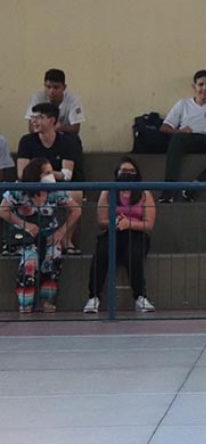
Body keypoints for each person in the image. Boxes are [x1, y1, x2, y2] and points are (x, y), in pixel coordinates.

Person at [0, 158, 81, 313]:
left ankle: (48, 299)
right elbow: (3, 210)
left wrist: (61, 232)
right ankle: (25, 301)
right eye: (47, 173)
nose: (51, 176)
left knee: (53, 256)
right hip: (25, 236)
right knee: (30, 260)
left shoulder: (55, 192)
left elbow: (76, 210)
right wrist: (24, 225)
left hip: (49, 234)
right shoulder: (19, 190)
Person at [85, 157, 156, 313]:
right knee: (102, 253)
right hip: (113, 231)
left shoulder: (144, 194)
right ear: (117, 172)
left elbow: (149, 224)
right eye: (124, 171)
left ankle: (140, 297)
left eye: (131, 171)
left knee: (134, 255)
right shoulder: (108, 192)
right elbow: (101, 221)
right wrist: (116, 223)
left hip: (136, 234)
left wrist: (129, 224)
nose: (127, 174)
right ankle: (93, 297)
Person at [17, 103, 83, 254]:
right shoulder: (26, 141)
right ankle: (20, 240)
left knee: (76, 194)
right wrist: (46, 174)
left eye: (40, 117)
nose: (34, 121)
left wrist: (44, 173)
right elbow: (22, 173)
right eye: (33, 117)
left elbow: (67, 175)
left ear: (52, 120)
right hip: (32, 188)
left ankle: (66, 239)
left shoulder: (67, 142)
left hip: (56, 187)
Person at [159, 70, 206, 203]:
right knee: (177, 139)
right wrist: (179, 131)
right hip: (189, 138)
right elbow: (164, 127)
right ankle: (168, 191)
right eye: (201, 84)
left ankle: (195, 187)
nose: (205, 88)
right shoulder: (183, 104)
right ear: (194, 86)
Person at [25, 68, 85, 136]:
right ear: (44, 85)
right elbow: (31, 128)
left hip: (64, 137)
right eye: (48, 87)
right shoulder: (37, 98)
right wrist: (53, 128)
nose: (51, 91)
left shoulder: (73, 100)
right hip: (42, 137)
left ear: (64, 87)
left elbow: (75, 129)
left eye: (56, 87)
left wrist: (56, 128)